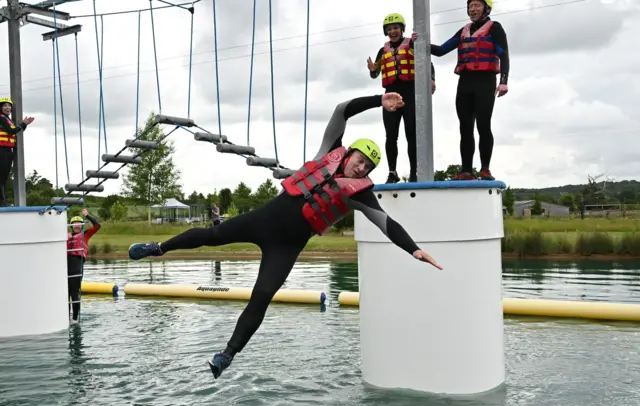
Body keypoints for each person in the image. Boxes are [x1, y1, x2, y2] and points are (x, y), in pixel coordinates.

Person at [127, 92, 444, 380]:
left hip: (288, 246)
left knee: (262, 296)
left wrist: (413, 249)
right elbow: (341, 110)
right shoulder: (329, 151)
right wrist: (379, 100)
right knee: (212, 234)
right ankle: (159, 248)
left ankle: (227, 355)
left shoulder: (361, 195)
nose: (362, 168)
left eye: (369, 167)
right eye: (360, 160)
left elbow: (387, 224)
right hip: (264, 220)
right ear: (349, 155)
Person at [427, 0, 509, 181]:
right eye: (470, 6)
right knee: (465, 128)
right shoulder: (464, 30)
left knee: (483, 125)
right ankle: (466, 171)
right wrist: (418, 43)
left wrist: (503, 81)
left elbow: (504, 54)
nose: (473, 9)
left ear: (486, 8)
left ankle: (485, 169)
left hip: (485, 82)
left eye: (477, 6)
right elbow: (441, 50)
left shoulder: (495, 28)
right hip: (465, 82)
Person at [367, 13, 436, 184]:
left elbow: (428, 62)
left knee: (412, 134)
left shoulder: (412, 43)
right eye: (389, 29)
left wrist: (432, 79)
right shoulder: (382, 51)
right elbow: (375, 74)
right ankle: (392, 172)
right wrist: (371, 69)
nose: (393, 31)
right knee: (391, 136)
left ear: (402, 29)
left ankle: (414, 173)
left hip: (410, 93)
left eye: (396, 28)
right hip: (390, 95)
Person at [66, 208, 101, 323]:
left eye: (79, 224)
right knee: (65, 294)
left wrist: (87, 216)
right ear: (71, 226)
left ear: (81, 226)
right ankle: (66, 319)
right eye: (74, 224)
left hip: (76, 263)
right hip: (64, 265)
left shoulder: (85, 235)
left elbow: (97, 226)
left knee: (74, 293)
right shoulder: (65, 236)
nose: (76, 226)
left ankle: (75, 319)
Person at [0, 97, 34, 206]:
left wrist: (24, 125)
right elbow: (11, 131)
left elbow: (16, 131)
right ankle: (2, 201)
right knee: (1, 176)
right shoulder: (1, 119)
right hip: (2, 150)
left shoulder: (8, 120)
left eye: (9, 106)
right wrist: (23, 124)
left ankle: (3, 199)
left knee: (4, 176)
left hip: (8, 150)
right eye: (5, 105)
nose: (7, 107)